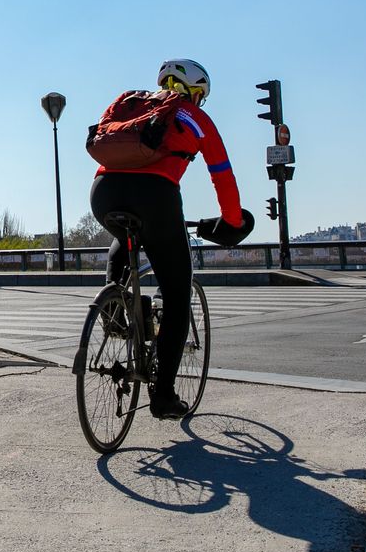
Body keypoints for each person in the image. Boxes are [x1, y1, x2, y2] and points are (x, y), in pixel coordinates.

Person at [89, 58, 250, 420]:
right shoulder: (195, 117)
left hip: (103, 192)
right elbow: (222, 176)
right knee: (178, 293)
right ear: (195, 91)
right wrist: (232, 222)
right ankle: (163, 396)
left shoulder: (130, 100)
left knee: (126, 237)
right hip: (157, 197)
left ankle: (115, 305)